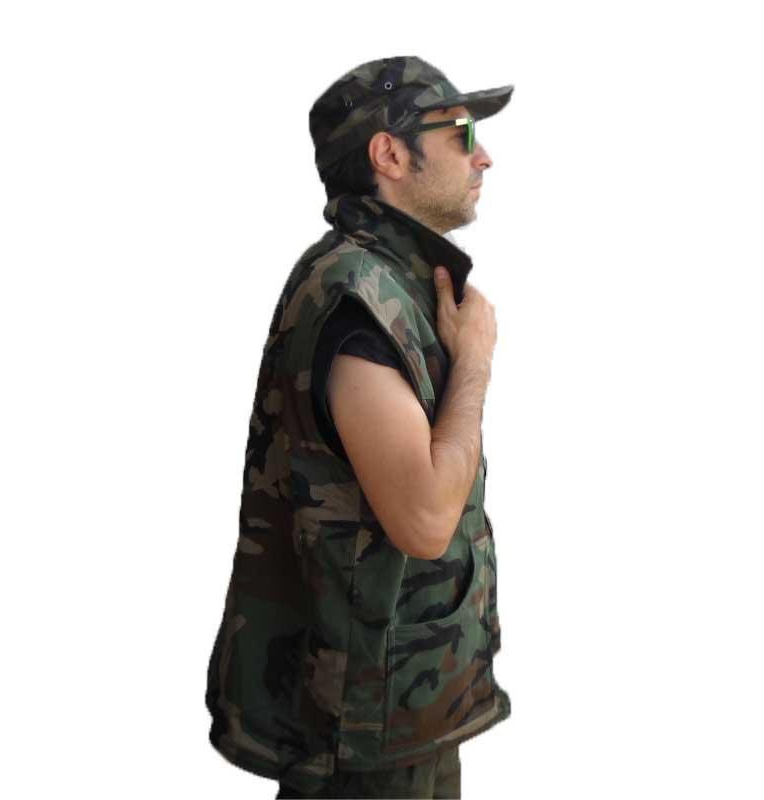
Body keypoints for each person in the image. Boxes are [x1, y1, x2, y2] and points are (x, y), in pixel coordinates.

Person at [205, 55, 514, 799]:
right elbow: (426, 520)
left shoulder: (394, 283)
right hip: (365, 733)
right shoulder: (357, 298)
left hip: (405, 707)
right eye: (462, 133)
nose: (484, 157)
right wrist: (474, 363)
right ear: (390, 154)